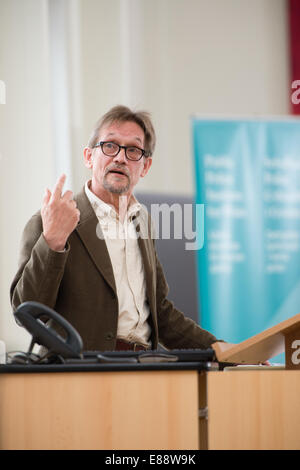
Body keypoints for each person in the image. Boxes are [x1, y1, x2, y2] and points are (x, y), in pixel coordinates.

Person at [10, 105, 222, 352]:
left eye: (133, 150)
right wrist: (53, 242)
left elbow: (160, 313)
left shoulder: (142, 222)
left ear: (145, 166)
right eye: (110, 146)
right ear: (89, 156)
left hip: (143, 369)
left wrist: (222, 348)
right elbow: (25, 311)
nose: (120, 157)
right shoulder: (51, 220)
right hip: (77, 375)